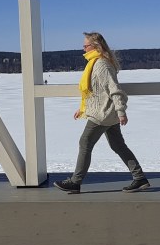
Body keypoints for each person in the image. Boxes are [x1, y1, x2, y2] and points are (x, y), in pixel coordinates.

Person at [54, 32, 149, 194]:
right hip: (105, 112)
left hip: (103, 114)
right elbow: (95, 92)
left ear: (96, 46)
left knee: (85, 143)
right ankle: (139, 178)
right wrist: (83, 108)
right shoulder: (94, 63)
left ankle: (75, 182)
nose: (83, 49)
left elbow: (114, 90)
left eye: (86, 46)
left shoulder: (101, 65)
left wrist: (121, 111)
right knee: (118, 145)